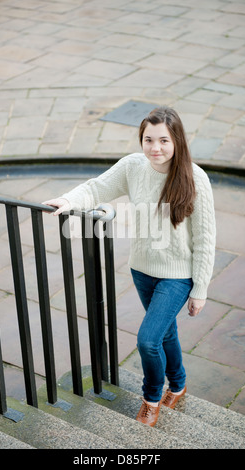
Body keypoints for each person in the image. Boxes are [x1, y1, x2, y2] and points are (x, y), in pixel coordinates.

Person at [43, 106, 216, 427]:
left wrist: (200, 289)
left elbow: (206, 239)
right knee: (165, 333)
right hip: (142, 268)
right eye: (148, 139)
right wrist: (69, 200)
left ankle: (151, 398)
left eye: (163, 140)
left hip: (177, 275)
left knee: (148, 340)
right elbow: (97, 188)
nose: (155, 148)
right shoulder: (134, 166)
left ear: (177, 140)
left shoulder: (196, 179)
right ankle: (177, 385)